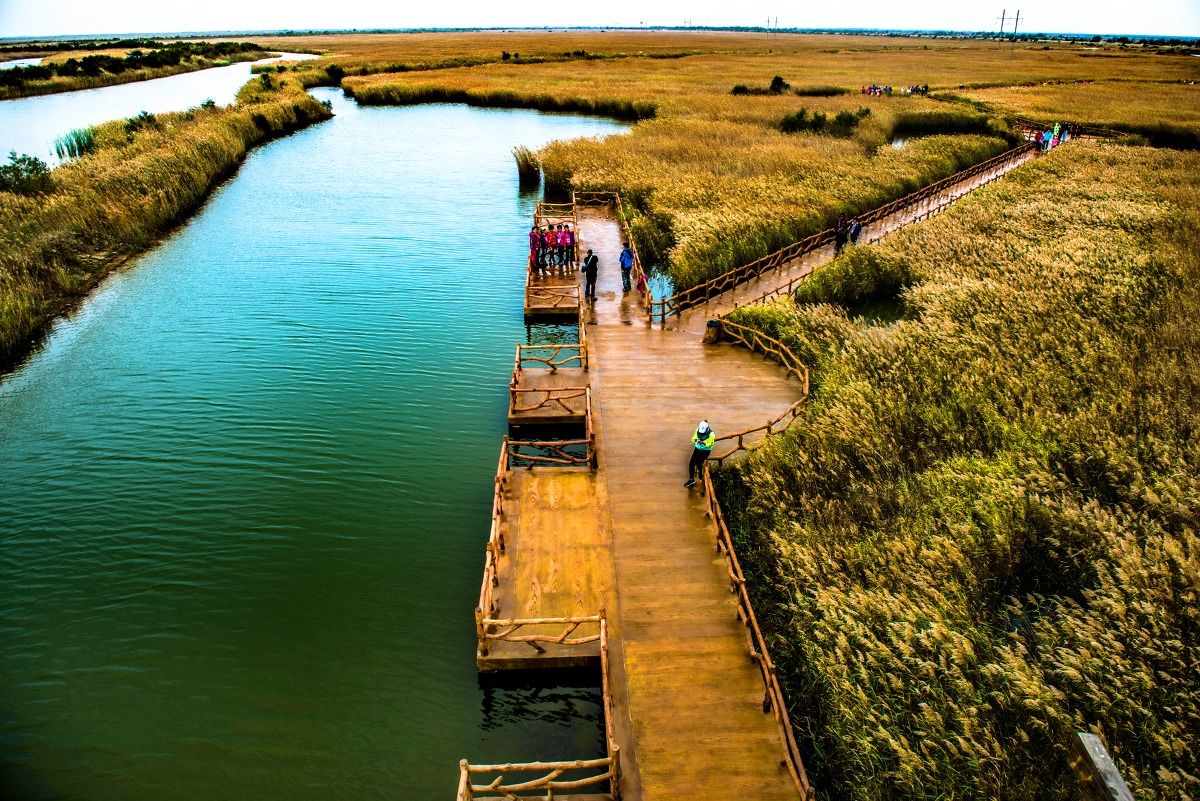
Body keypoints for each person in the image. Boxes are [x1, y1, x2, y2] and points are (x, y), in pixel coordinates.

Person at [684, 420, 715, 488]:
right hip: (697, 449)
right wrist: (696, 440)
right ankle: (691, 479)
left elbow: (711, 444)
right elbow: (693, 438)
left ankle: (701, 477)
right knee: (691, 463)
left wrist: (704, 443)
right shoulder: (698, 430)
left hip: (705, 451)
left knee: (699, 462)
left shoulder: (711, 434)